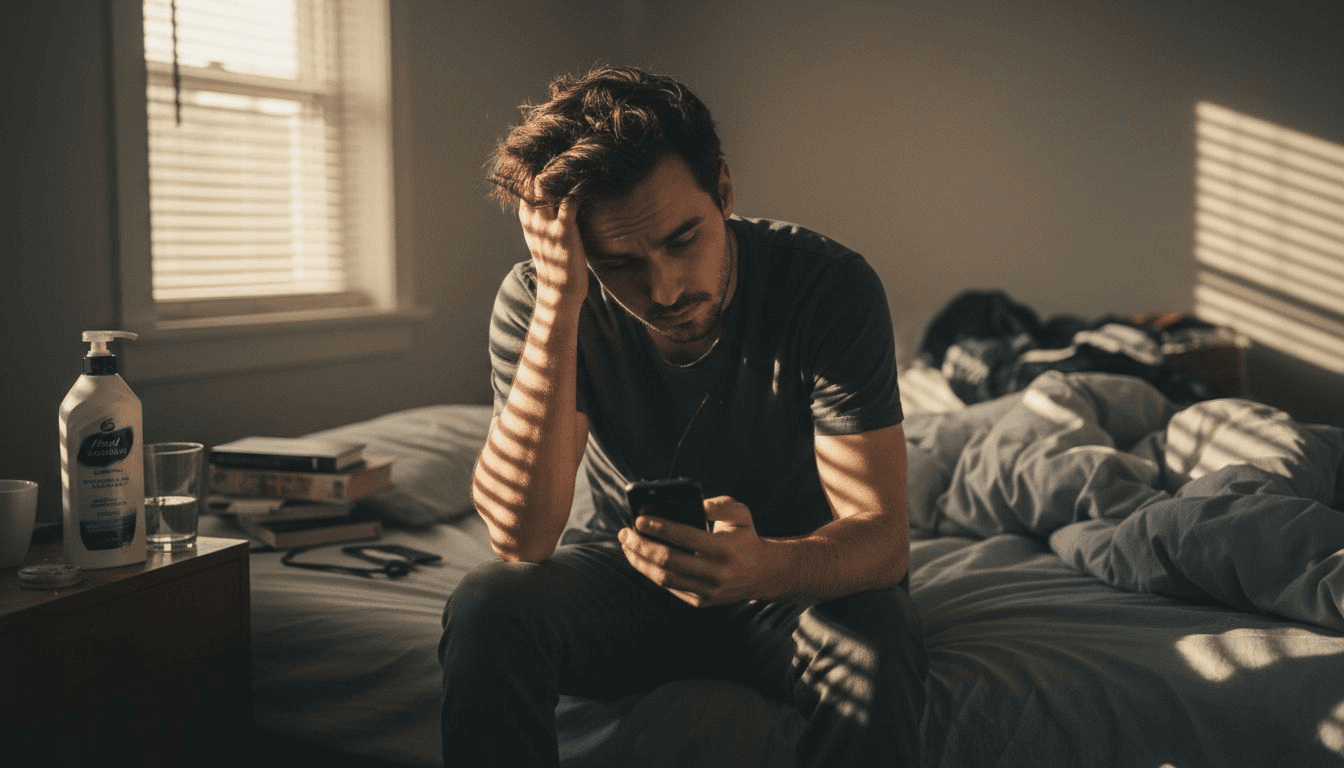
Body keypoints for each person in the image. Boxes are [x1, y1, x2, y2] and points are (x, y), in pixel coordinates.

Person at [440, 64, 928, 767]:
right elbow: (522, 537)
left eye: (681, 240)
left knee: (878, 633)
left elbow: (883, 540)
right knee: (490, 604)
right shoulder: (545, 299)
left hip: (796, 583)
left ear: (723, 191)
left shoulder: (827, 287)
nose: (664, 290)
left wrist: (764, 569)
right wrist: (559, 301)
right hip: (633, 580)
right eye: (620, 263)